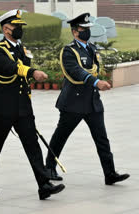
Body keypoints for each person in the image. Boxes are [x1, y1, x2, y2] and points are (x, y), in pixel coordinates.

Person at [0, 10, 65, 200]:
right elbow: (7, 68)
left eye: (20, 26)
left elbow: (21, 74)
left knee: (32, 145)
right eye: (16, 26)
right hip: (2, 106)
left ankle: (44, 185)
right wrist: (31, 71)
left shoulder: (21, 48)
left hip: (23, 106)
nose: (19, 29)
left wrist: (31, 75)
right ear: (6, 28)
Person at [45, 13, 130, 185]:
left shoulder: (91, 48)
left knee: (102, 139)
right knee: (61, 136)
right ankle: (49, 168)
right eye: (84, 30)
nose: (87, 32)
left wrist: (98, 82)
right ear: (75, 32)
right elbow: (75, 72)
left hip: (92, 101)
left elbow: (94, 68)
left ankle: (110, 173)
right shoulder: (68, 51)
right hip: (73, 102)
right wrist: (96, 82)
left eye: (88, 29)